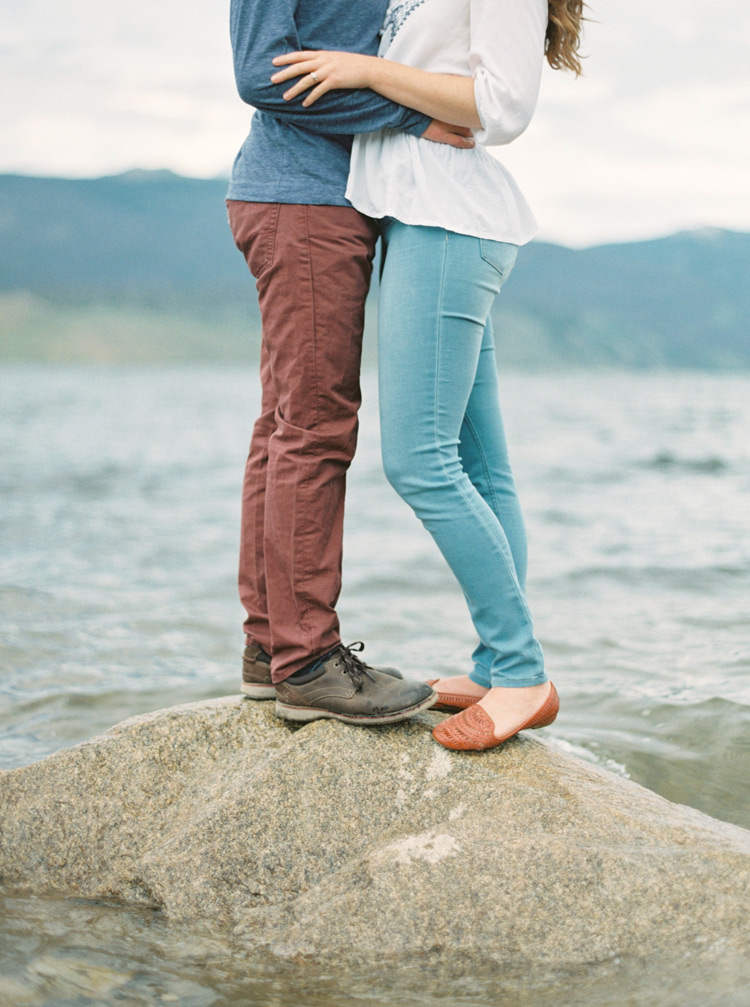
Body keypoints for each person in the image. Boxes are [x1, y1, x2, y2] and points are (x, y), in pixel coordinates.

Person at [268, 0, 585, 749]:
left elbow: (501, 107)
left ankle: (521, 670)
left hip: (447, 221)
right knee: (481, 465)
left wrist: (366, 70)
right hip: (425, 216)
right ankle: (496, 660)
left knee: (421, 462)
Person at [227, 0, 476, 725]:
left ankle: (270, 646)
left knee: (286, 426)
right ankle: (305, 662)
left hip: (324, 199)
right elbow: (260, 75)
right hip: (303, 198)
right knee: (313, 426)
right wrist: (409, 117)